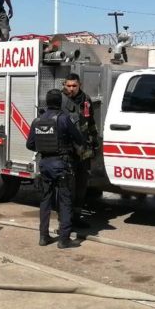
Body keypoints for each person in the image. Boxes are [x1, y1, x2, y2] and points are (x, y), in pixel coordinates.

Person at [26, 89, 84, 249]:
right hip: (62, 165)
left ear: (46, 102)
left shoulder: (37, 121)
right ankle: (63, 239)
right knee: (65, 201)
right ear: (60, 102)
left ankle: (43, 237)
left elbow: (30, 144)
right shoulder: (64, 119)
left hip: (44, 165)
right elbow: (79, 138)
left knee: (45, 200)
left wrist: (44, 145)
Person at [61, 73, 99, 228]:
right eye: (68, 86)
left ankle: (76, 216)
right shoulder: (60, 100)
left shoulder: (86, 100)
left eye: (74, 86)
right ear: (64, 85)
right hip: (66, 150)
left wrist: (95, 143)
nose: (71, 89)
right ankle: (65, 220)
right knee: (66, 186)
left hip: (84, 150)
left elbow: (91, 123)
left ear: (80, 85)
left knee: (82, 184)